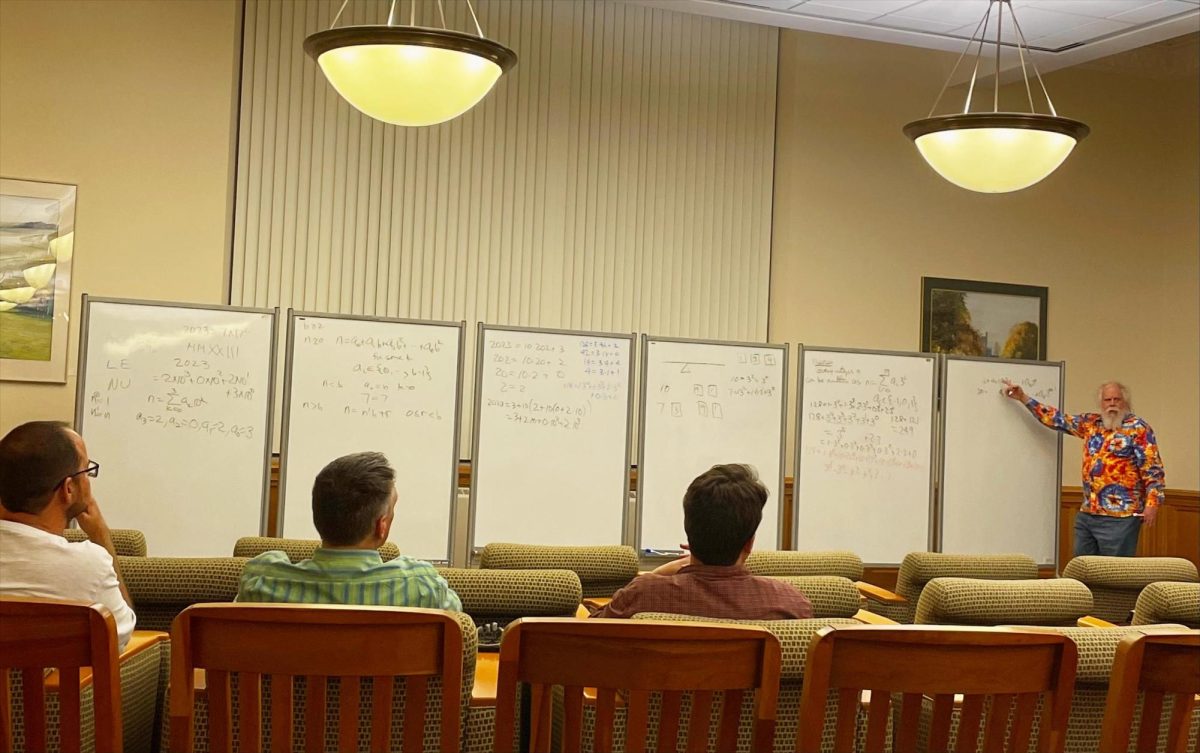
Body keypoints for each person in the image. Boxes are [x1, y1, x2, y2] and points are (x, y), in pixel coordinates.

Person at [238, 451, 461, 609]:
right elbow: (460, 630)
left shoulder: (260, 581)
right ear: (381, 526)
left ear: (318, 514)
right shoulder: (422, 586)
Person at [592, 463, 812, 620]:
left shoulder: (643, 596)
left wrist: (656, 574)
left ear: (689, 534)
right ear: (750, 543)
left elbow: (590, 631)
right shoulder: (790, 604)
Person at [0, 421, 137, 649]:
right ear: (69, 489)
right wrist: (101, 537)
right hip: (51, 685)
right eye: (86, 470)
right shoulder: (88, 564)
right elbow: (119, 638)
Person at [1002, 379, 1165, 557]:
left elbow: (1153, 470)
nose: (1112, 404)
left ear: (1125, 402)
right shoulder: (1091, 423)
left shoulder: (1139, 429)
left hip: (1121, 517)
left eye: (1116, 399)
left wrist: (1152, 505)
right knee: (1083, 568)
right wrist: (1023, 398)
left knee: (1114, 574)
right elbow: (1057, 419)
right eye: (1107, 400)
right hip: (1088, 513)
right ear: (1101, 403)